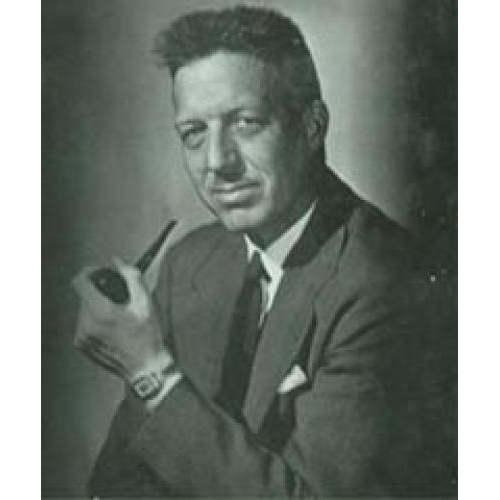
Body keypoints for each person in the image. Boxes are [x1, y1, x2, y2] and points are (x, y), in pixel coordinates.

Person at [72, 5, 456, 498]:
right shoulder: (191, 263)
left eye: (246, 123)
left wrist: (150, 372)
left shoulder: (385, 281)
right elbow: (116, 486)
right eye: (194, 134)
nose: (217, 162)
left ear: (312, 126)